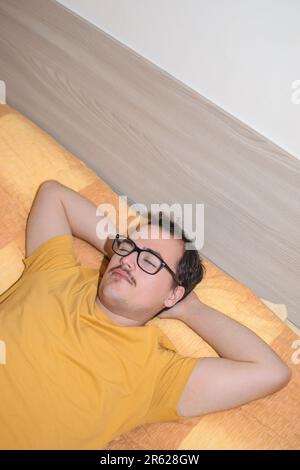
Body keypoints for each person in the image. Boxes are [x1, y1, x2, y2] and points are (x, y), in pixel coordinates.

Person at [0, 180, 291, 449]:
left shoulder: (156, 373)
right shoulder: (56, 272)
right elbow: (54, 195)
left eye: (150, 260)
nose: (130, 261)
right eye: (130, 247)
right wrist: (119, 249)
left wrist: (192, 309)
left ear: (174, 293)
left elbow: (270, 372)